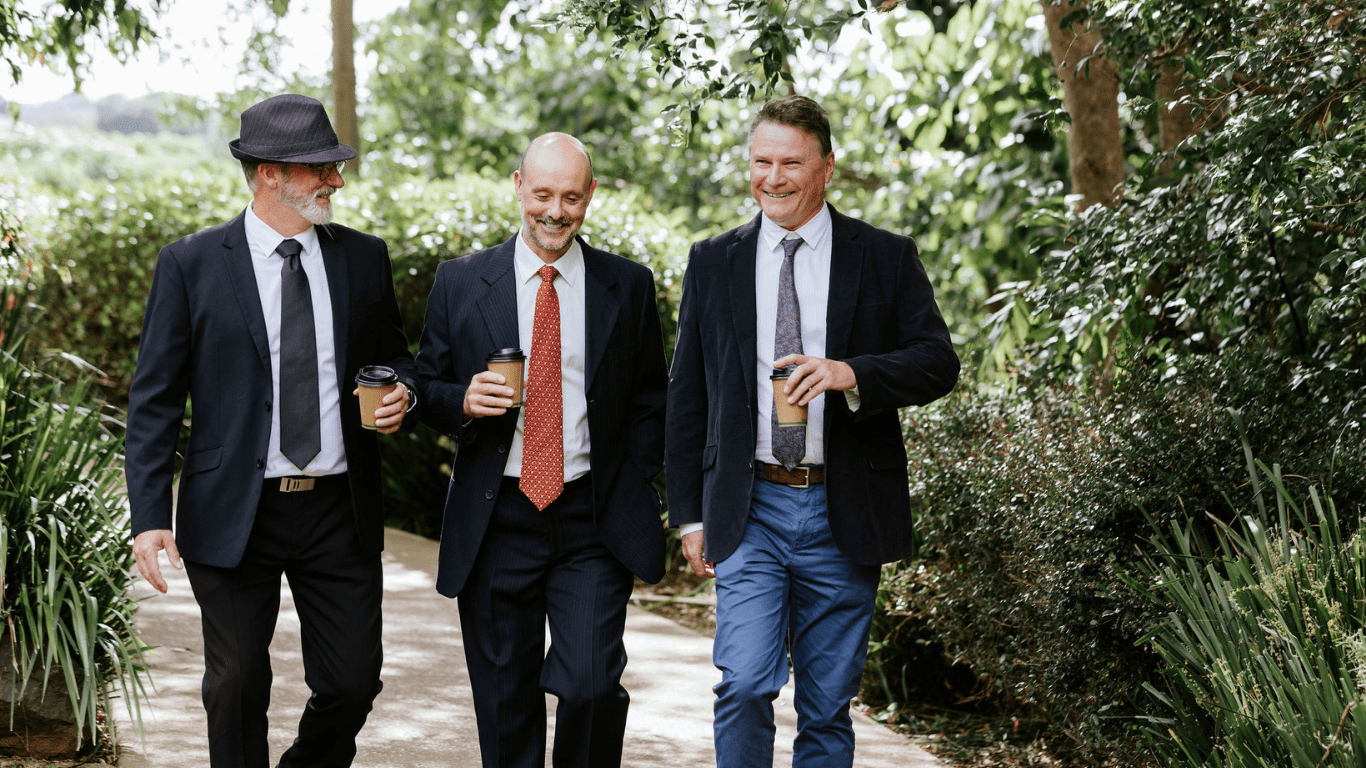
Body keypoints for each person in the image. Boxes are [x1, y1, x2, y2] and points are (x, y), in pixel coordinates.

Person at [125, 93, 419, 768]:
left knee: (351, 683)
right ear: (268, 174)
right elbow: (155, 401)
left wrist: (401, 388)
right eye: (322, 168)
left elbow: (395, 356)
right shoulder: (191, 265)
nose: (337, 181)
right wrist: (148, 515)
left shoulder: (362, 258)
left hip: (338, 508)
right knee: (236, 684)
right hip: (232, 508)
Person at [666, 94, 960, 767]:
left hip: (843, 507)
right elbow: (689, 393)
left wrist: (849, 373)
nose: (773, 177)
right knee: (743, 683)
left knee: (827, 707)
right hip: (750, 509)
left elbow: (937, 363)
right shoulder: (714, 260)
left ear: (827, 166)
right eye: (761, 161)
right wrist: (688, 515)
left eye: (790, 163)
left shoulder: (884, 257)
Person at [415, 132, 668, 768]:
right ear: (519, 187)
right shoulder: (462, 280)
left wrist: (638, 480)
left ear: (590, 198)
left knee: (588, 683)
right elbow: (425, 383)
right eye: (544, 194)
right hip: (496, 515)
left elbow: (649, 398)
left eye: (571, 197)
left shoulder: (628, 285)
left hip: (591, 519)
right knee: (505, 704)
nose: (555, 211)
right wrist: (460, 400)